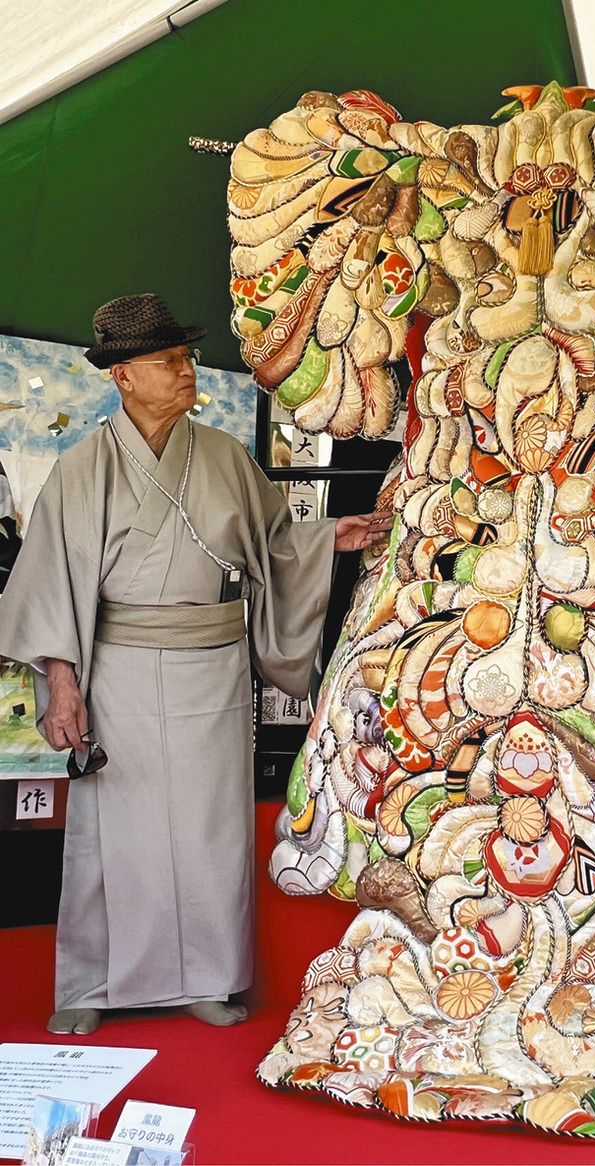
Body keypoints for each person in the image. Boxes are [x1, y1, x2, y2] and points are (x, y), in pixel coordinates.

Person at [0, 293, 390, 1035]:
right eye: (168, 361)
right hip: (116, 666)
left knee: (212, 831)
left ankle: (207, 976)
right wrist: (63, 688)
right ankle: (91, 983)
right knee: (113, 830)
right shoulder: (83, 470)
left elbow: (275, 544)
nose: (187, 372)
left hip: (213, 669)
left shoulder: (222, 457)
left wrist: (327, 538)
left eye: (185, 358)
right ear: (124, 377)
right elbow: (50, 586)